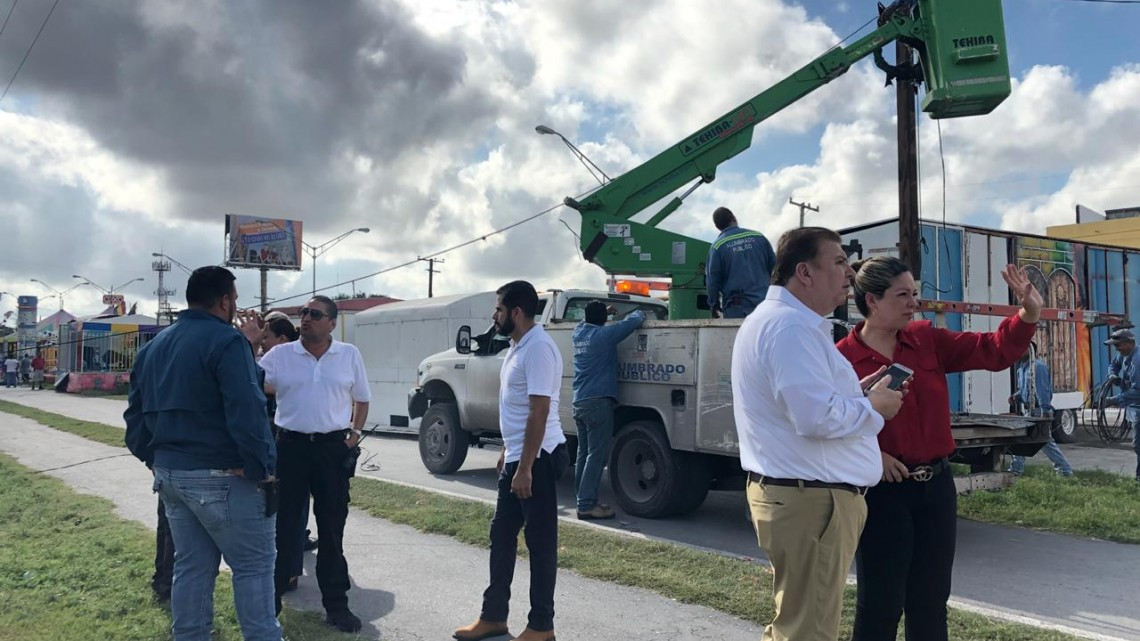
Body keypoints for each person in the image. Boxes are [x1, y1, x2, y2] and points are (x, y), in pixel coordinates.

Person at [836, 256, 1041, 641]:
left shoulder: (926, 341)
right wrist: (870, 455)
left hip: (935, 489)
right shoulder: (842, 359)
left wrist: (1027, 315)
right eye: (902, 295)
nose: (914, 302)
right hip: (881, 496)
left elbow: (992, 350)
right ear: (872, 301)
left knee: (930, 602)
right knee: (879, 605)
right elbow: (823, 426)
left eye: (915, 293)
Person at [731, 227, 904, 641]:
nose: (850, 272)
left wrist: (857, 394)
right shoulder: (791, 328)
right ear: (804, 273)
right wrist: (873, 406)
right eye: (840, 262)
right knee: (808, 632)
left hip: (804, 496)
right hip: (813, 503)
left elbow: (807, 403)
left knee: (797, 624)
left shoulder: (784, 322)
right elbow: (812, 417)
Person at [123, 266, 280, 641]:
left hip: (172, 475)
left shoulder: (152, 347)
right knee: (254, 567)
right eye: (235, 300)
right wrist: (262, 468)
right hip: (224, 476)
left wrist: (157, 459)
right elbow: (247, 409)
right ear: (225, 300)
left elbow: (135, 416)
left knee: (191, 568)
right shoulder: (228, 343)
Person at [455, 280, 569, 641]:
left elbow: (539, 411)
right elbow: (518, 410)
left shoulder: (538, 350)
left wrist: (525, 468)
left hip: (540, 458)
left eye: (499, 310)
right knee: (501, 536)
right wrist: (509, 450)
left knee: (540, 543)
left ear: (516, 313)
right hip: (521, 455)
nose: (494, 316)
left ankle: (541, 626)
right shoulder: (518, 347)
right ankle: (494, 617)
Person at [258, 295, 370, 633]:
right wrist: (250, 343)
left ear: (332, 323)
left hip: (331, 450)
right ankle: (269, 605)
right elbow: (253, 383)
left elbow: (362, 399)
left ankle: (337, 606)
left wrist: (354, 435)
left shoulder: (348, 355)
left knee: (332, 529)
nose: (306, 318)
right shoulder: (280, 355)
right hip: (290, 448)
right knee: (285, 529)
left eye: (315, 314)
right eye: (304, 313)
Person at [571, 302, 645, 520]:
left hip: (580, 401)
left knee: (583, 454)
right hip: (597, 401)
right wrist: (639, 311)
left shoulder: (578, 334)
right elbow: (634, 321)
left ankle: (583, 500)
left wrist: (605, 314)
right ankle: (586, 505)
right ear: (603, 319)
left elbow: (585, 321)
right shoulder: (603, 336)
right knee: (597, 455)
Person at [1009, 343, 1073, 477]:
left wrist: (1045, 411)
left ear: (1029, 349)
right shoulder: (1021, 369)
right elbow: (1025, 391)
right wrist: (1016, 397)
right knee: (1022, 439)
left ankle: (1064, 470)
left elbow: (1042, 391)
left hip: (1038, 411)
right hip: (1028, 411)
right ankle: (1016, 470)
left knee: (1044, 441)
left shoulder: (1038, 367)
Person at [705, 206, 776, 319]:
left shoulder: (717, 247)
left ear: (717, 226)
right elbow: (776, 268)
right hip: (765, 303)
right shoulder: (758, 237)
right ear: (733, 217)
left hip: (737, 308)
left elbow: (712, 282)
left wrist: (713, 305)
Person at [1104, 328, 1140, 480]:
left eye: (1118, 345)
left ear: (1129, 343)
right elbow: (1114, 364)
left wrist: (1115, 400)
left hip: (1137, 404)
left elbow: (1138, 391)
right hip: (1134, 407)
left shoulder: (1138, 360)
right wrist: (1112, 374)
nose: (1117, 349)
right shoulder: (1123, 355)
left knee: (1138, 445)